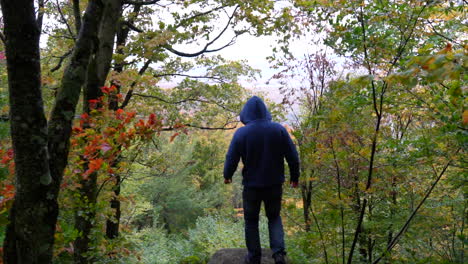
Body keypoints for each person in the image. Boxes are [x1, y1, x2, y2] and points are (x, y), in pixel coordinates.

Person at [223, 96, 300, 264]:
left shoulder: (241, 133)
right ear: (265, 112)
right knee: (274, 217)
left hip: (251, 187)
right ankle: (279, 255)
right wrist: (295, 177)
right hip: (274, 185)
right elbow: (293, 157)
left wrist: (227, 175)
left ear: (246, 114)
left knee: (251, 221)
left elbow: (231, 158)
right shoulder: (279, 130)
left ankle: (254, 257)